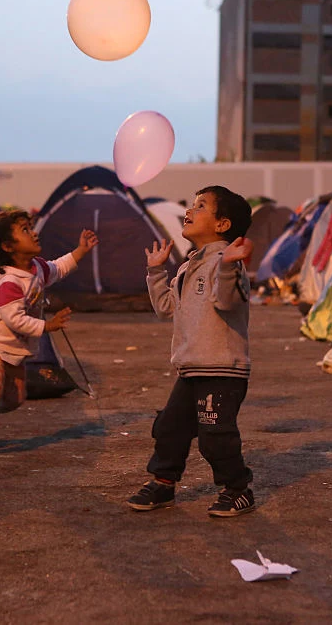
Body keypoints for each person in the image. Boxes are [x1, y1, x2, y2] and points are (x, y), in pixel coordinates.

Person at [126, 186, 256, 517]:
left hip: (221, 367)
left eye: (200, 206)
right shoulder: (189, 265)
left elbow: (226, 301)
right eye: (191, 205)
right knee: (170, 428)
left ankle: (238, 489)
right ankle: (163, 484)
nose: (189, 211)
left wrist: (227, 266)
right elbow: (167, 308)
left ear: (223, 224)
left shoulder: (229, 261)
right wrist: (156, 272)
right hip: (191, 366)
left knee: (215, 435)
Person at [0, 209, 99, 461]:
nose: (33, 233)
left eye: (30, 227)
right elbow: (15, 319)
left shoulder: (37, 269)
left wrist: (80, 251)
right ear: (8, 246)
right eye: (24, 230)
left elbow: (58, 268)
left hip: (15, 350)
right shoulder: (7, 281)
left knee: (15, 399)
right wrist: (47, 326)